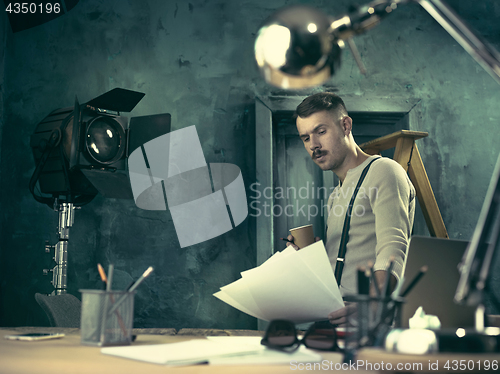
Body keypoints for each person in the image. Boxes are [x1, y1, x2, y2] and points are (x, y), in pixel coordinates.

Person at [287, 92, 416, 326]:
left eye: (321, 131)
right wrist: (311, 255)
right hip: (333, 320)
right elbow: (347, 256)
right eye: (305, 138)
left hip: (366, 326)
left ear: (345, 125)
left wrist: (371, 308)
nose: (313, 145)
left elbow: (393, 248)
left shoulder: (384, 171)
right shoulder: (336, 193)